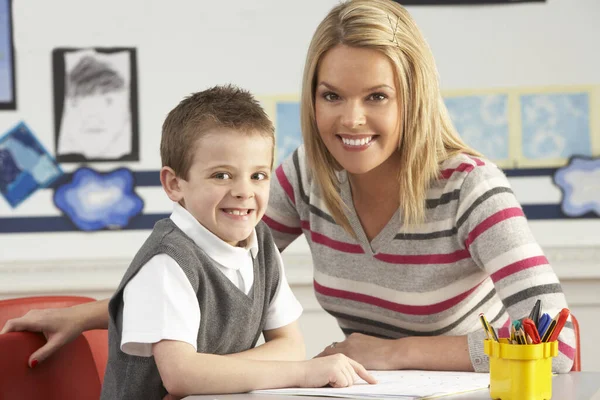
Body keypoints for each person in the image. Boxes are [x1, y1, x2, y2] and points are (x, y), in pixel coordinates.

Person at [1, 0, 575, 377]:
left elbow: (559, 344)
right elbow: (213, 267)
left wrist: (393, 353)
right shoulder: (308, 176)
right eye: (331, 96)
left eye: (376, 96)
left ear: (412, 98)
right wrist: (94, 314)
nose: (350, 120)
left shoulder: (470, 189)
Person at [65, 84, 381, 399]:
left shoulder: (260, 244)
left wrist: (213, 373)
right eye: (222, 175)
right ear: (174, 184)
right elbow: (181, 375)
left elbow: (291, 345)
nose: (244, 191)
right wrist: (302, 372)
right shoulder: (165, 264)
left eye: (258, 175)